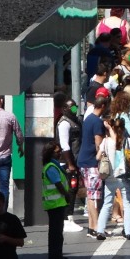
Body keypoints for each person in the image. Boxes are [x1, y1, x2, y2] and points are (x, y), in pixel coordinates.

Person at [78, 91, 109, 239]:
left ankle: (92, 226)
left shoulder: (88, 119)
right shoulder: (97, 122)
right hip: (91, 162)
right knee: (94, 196)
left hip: (83, 161)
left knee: (90, 195)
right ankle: (96, 226)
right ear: (102, 106)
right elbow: (99, 144)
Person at [54, 92, 84, 233]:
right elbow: (65, 145)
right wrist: (70, 164)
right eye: (72, 108)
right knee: (70, 190)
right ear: (64, 109)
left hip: (75, 161)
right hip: (67, 163)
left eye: (75, 107)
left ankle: (69, 217)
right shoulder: (64, 123)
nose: (75, 110)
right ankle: (67, 218)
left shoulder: (75, 121)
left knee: (74, 189)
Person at [41, 141, 71, 259]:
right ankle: (55, 255)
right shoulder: (51, 167)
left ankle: (56, 254)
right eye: (57, 152)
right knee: (56, 232)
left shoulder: (53, 165)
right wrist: (66, 194)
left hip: (57, 203)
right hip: (55, 204)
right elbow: (58, 183)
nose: (60, 154)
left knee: (57, 230)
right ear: (51, 153)